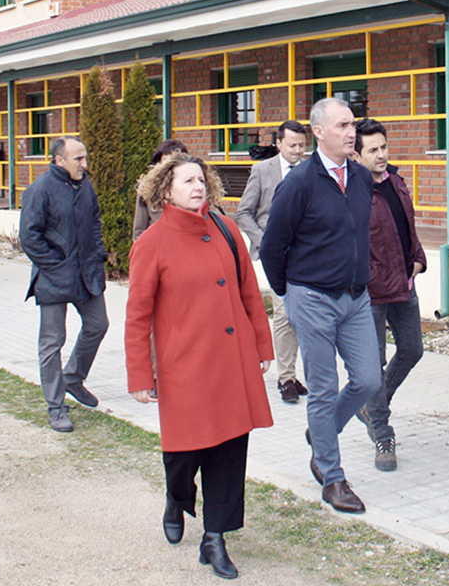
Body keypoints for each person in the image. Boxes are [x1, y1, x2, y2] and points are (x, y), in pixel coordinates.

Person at [125, 152, 274, 580]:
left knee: (229, 451)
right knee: (183, 455)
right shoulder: (151, 243)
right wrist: (140, 374)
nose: (198, 187)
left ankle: (215, 539)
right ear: (165, 190)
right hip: (184, 368)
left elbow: (250, 294)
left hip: (231, 362)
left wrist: (263, 347)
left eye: (201, 179)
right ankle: (177, 498)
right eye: (188, 181)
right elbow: (137, 316)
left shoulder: (227, 230)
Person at [260, 98, 379, 514]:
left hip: (355, 297)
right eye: (343, 125)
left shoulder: (362, 178)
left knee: (368, 380)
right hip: (312, 298)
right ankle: (332, 477)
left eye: (353, 125)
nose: (352, 132)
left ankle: (322, 431)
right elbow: (272, 246)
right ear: (319, 133)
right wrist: (288, 294)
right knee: (324, 389)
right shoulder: (299, 183)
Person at [19, 136, 109, 433]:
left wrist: (97, 256)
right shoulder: (40, 189)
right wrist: (55, 266)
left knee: (98, 325)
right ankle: (56, 407)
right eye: (78, 159)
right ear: (59, 160)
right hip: (53, 277)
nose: (84, 164)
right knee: (52, 343)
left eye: (84, 157)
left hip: (86, 275)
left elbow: (95, 223)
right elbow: (29, 237)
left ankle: (73, 377)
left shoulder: (85, 185)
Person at [353, 118, 426, 471]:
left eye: (383, 147)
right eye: (373, 150)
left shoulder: (396, 182)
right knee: (373, 365)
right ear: (356, 155)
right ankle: (382, 433)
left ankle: (371, 406)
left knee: (413, 350)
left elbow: (407, 228)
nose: (381, 155)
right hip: (370, 293)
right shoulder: (352, 192)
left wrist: (419, 260)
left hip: (403, 285)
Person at [235, 120, 309, 404]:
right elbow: (243, 212)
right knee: (283, 313)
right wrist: (264, 241)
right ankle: (286, 378)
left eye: (302, 146)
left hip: (305, 253)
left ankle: (296, 373)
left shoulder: (309, 170)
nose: (298, 151)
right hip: (275, 254)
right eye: (292, 145)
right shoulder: (262, 171)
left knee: (302, 314)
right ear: (278, 144)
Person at [132, 139, 189, 241]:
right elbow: (139, 229)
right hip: (158, 245)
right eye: (167, 159)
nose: (170, 164)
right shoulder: (147, 188)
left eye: (176, 160)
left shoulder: (193, 187)